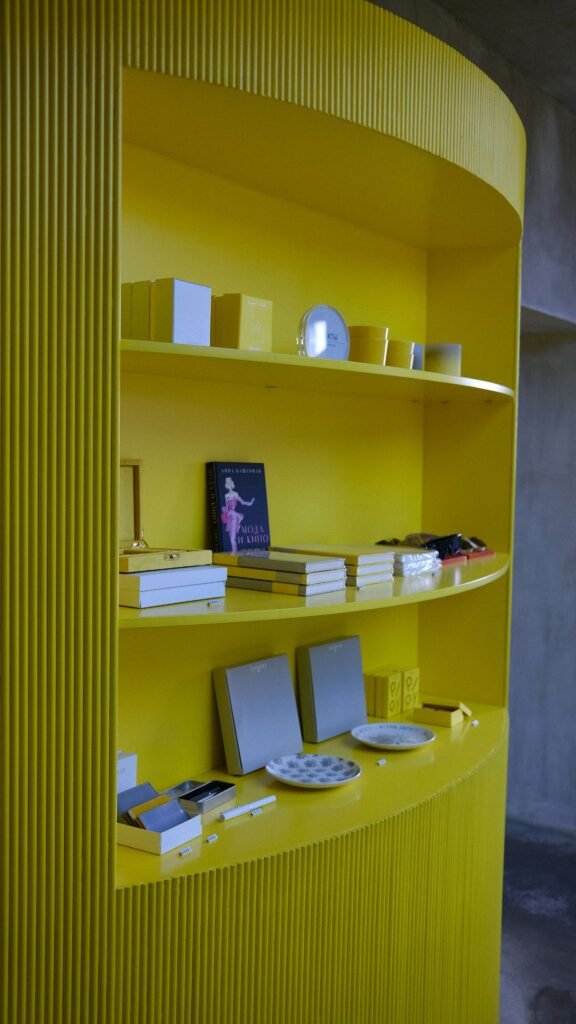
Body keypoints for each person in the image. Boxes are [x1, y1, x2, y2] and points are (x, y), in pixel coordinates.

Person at [221, 476, 254, 553]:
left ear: (231, 484)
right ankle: (234, 552)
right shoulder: (226, 495)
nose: (228, 484)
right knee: (230, 538)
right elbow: (226, 507)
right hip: (229, 517)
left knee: (233, 538)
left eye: (230, 483)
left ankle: (234, 552)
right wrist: (224, 510)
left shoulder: (235, 494)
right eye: (227, 483)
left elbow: (242, 502)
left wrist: (250, 502)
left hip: (234, 517)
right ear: (226, 485)